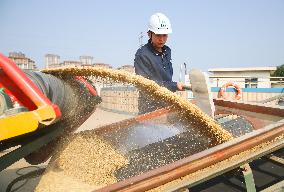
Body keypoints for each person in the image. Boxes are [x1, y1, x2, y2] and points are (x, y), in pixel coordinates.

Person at [134, 12, 185, 114]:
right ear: (149, 34)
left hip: (166, 103)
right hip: (150, 108)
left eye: (164, 35)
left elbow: (166, 77)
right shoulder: (142, 55)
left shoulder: (167, 51)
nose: (161, 39)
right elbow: (146, 85)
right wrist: (174, 86)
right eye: (158, 35)